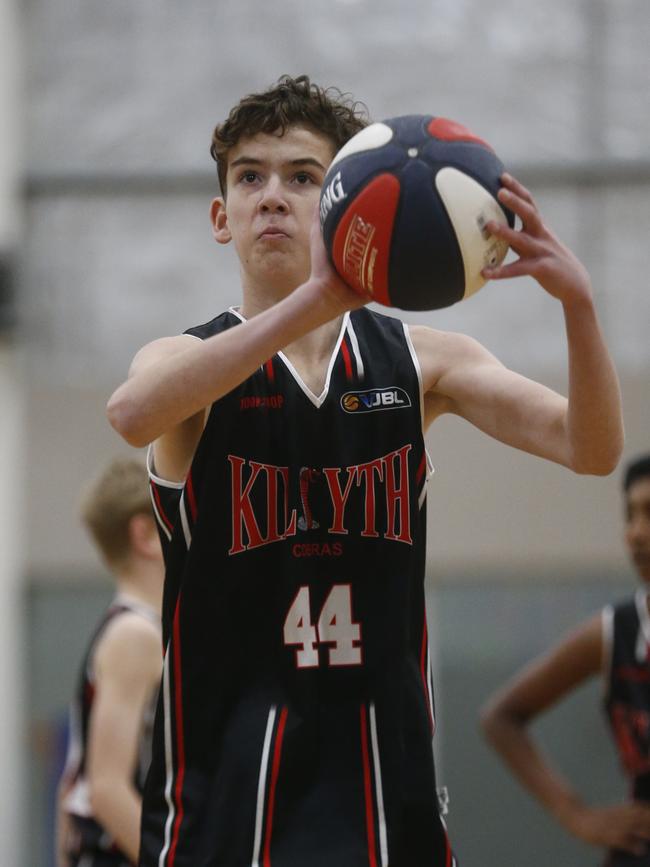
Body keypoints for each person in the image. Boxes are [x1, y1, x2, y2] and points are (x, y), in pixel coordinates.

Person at [106, 74, 624, 867]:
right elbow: (132, 412)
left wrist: (579, 307)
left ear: (345, 200)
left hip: (385, 789)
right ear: (223, 217)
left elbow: (590, 449)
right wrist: (314, 301)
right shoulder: (184, 363)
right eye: (250, 177)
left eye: (303, 176)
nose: (272, 196)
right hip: (225, 801)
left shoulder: (421, 362)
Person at [481, 454, 650, 866]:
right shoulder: (616, 633)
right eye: (629, 515)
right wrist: (576, 815)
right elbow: (501, 718)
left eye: (649, 514)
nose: (636, 532)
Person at [56, 458, 164, 867]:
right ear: (146, 535)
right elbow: (105, 789)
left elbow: (74, 785)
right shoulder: (134, 636)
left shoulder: (127, 628)